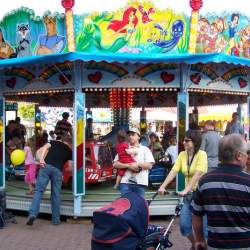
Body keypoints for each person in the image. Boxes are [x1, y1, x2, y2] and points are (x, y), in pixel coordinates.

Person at [191, 134, 250, 250]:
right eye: (246, 154)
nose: (247, 157)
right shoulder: (248, 182)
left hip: (215, 246)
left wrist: (199, 239)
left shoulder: (205, 181)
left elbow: (196, 215)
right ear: (238, 155)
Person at [158, 130, 208, 250]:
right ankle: (196, 244)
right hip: (189, 196)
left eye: (187, 140)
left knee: (204, 230)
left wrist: (186, 189)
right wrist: (163, 186)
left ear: (195, 142)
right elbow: (174, 171)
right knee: (184, 227)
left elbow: (198, 174)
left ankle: (203, 246)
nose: (183, 142)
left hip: (201, 196)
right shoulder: (182, 155)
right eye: (184, 140)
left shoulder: (202, 154)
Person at [26, 134, 72, 226]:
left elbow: (45, 148)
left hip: (46, 167)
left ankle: (32, 214)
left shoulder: (54, 142)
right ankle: (56, 220)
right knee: (56, 195)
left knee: (39, 191)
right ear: (69, 143)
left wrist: (42, 159)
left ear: (61, 140)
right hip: (58, 171)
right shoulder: (69, 151)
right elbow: (69, 167)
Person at [113, 127, 155, 197]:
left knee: (138, 206)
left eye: (133, 135)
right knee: (126, 205)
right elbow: (115, 164)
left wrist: (136, 165)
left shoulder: (145, 149)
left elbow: (150, 165)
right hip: (125, 182)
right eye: (129, 135)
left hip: (140, 183)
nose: (130, 136)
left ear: (138, 136)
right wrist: (128, 166)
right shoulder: (124, 147)